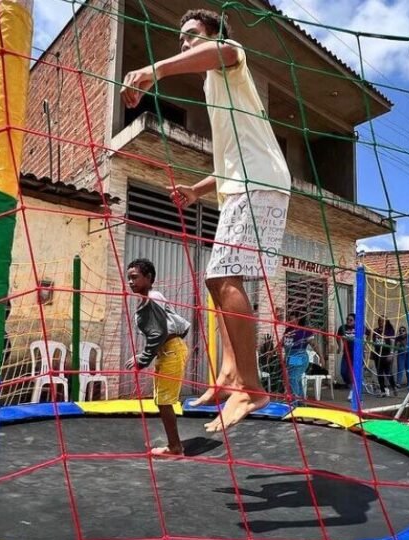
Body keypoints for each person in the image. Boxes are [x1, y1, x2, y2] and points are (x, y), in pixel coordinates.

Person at [122, 9, 292, 431]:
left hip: (260, 183)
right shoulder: (215, 90)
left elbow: (225, 51)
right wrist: (198, 191)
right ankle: (230, 374)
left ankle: (251, 388)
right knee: (217, 282)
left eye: (192, 35)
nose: (184, 42)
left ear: (214, 35)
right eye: (181, 38)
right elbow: (231, 161)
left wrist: (154, 71)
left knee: (223, 278)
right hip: (242, 185)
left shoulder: (229, 57)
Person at [124, 259, 191, 456]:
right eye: (129, 278)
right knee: (161, 400)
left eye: (135, 277)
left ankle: (175, 447)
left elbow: (159, 333)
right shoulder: (150, 299)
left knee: (164, 401)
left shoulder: (153, 298)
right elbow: (169, 328)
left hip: (171, 351)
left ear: (149, 277)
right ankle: (174, 445)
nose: (130, 282)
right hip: (168, 350)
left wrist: (143, 359)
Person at [283, 312, 320, 405]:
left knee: (292, 378)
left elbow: (314, 344)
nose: (289, 321)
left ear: (297, 320)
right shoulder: (288, 330)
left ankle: (294, 403)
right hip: (290, 356)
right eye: (289, 319)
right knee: (296, 379)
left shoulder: (303, 331)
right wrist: (274, 350)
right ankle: (301, 403)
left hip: (299, 356)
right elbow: (282, 342)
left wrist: (321, 356)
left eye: (291, 319)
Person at [370, 318, 397, 397]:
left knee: (388, 372)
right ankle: (382, 391)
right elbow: (372, 341)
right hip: (378, 355)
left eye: (383, 321)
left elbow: (392, 342)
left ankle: (393, 386)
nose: (381, 322)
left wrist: (391, 353)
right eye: (379, 321)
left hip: (386, 354)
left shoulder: (389, 331)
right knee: (379, 373)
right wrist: (372, 352)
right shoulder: (375, 331)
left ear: (386, 322)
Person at [336, 313, 357, 390]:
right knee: (343, 371)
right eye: (347, 319)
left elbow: (369, 333)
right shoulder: (342, 328)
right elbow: (338, 337)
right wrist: (339, 347)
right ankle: (349, 383)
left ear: (355, 321)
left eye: (351, 320)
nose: (348, 321)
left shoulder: (359, 327)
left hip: (356, 353)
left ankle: (354, 386)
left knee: (354, 372)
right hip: (346, 353)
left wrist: (365, 345)